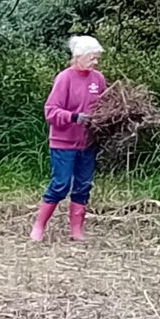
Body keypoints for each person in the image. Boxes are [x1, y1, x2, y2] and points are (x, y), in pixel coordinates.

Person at [31, 35, 107, 242]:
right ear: (79, 57)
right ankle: (39, 225)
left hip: (88, 143)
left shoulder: (98, 79)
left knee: (83, 185)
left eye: (97, 59)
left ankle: (76, 230)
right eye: (92, 58)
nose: (96, 62)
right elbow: (51, 112)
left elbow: (105, 106)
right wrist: (74, 117)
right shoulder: (64, 78)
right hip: (63, 143)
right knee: (61, 184)